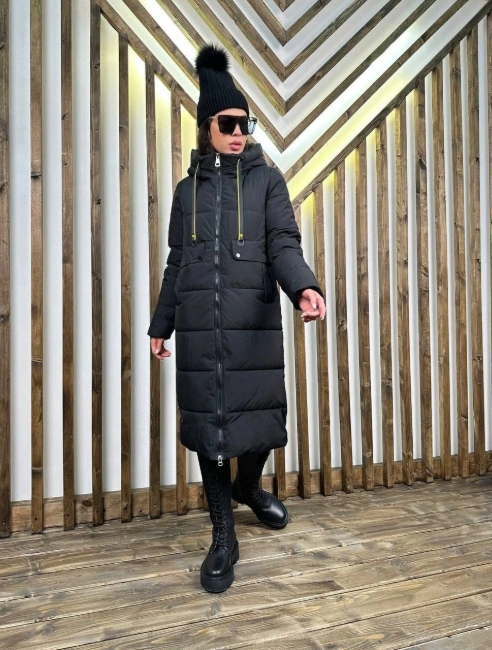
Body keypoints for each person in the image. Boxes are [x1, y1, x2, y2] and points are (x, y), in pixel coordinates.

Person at [148, 44, 326, 593]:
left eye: (244, 123)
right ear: (207, 128)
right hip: (200, 331)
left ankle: (249, 486)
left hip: (252, 329)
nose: (238, 133)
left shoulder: (267, 182)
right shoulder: (186, 193)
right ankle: (223, 536)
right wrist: (161, 324)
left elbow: (284, 243)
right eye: (227, 123)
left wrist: (304, 287)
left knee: (259, 421)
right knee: (209, 432)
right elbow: (177, 261)